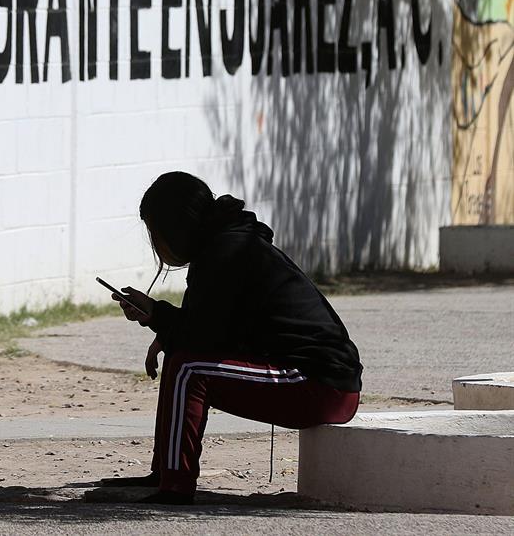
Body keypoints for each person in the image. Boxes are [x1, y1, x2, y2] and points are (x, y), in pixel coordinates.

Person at [104, 172, 363, 504]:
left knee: (188, 368)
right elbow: (212, 326)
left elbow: (205, 335)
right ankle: (165, 473)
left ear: (176, 227)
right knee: (182, 359)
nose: (156, 244)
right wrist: (161, 325)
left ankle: (175, 487)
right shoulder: (225, 244)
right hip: (319, 381)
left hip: (322, 386)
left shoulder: (227, 251)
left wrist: (157, 316)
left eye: (156, 233)